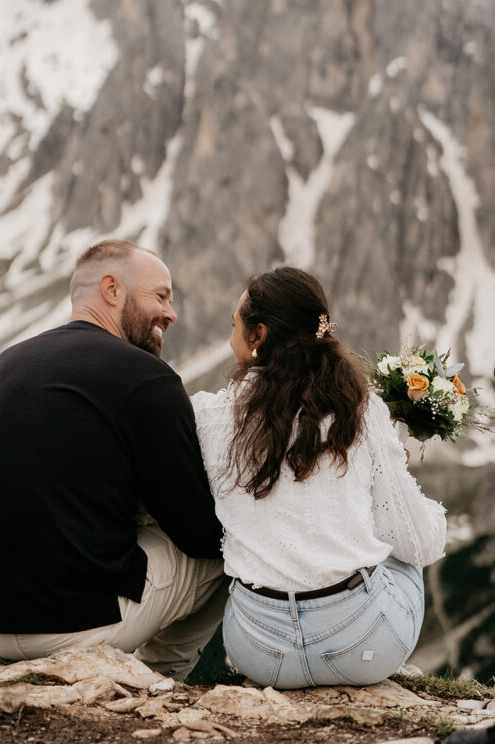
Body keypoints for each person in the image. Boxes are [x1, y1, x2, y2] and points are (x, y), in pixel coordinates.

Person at [0, 239, 227, 679]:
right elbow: (197, 532)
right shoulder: (147, 377)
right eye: (161, 296)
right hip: (71, 625)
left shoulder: (8, 362)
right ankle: (164, 678)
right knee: (230, 554)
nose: (172, 314)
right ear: (112, 290)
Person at [191, 266, 446, 689]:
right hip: (362, 649)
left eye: (233, 325)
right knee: (402, 547)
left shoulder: (208, 416)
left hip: (258, 653)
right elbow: (420, 543)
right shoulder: (360, 412)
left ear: (259, 335)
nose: (229, 336)